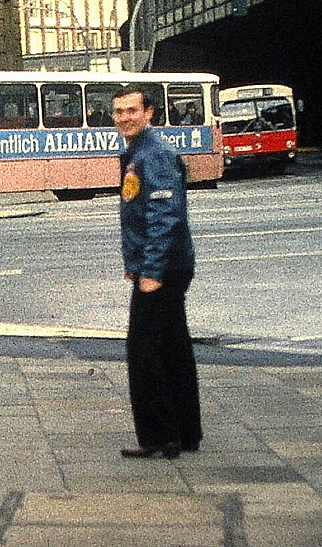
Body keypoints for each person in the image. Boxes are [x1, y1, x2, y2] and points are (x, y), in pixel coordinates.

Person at [112, 83, 202, 459]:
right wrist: (136, 264)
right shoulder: (137, 151)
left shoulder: (156, 153)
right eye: (118, 112)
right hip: (161, 264)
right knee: (173, 347)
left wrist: (150, 269)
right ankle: (185, 433)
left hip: (163, 267)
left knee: (145, 352)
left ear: (149, 112)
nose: (124, 118)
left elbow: (164, 216)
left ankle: (161, 436)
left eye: (132, 110)